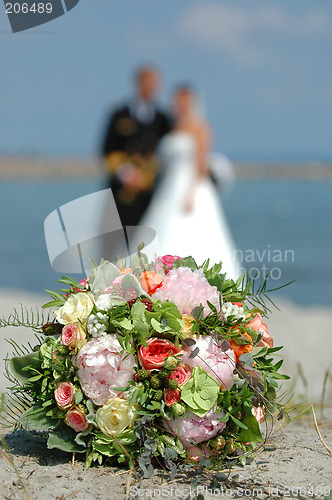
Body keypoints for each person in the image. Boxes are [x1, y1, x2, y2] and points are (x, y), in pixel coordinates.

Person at [138, 85, 239, 279]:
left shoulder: (199, 127)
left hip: (192, 189)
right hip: (169, 187)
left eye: (184, 101)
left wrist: (191, 194)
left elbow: (201, 164)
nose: (179, 105)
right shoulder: (172, 126)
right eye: (177, 101)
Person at [101, 66, 171, 227]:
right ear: (138, 84)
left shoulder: (163, 119)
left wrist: (148, 176)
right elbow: (107, 148)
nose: (151, 88)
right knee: (113, 240)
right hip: (120, 191)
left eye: (155, 84)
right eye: (148, 83)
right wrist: (127, 174)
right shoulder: (119, 114)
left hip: (149, 192)